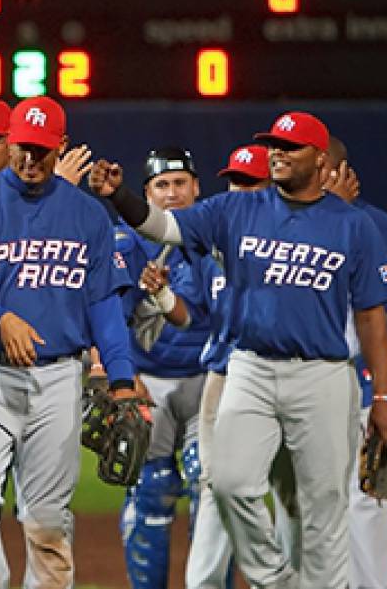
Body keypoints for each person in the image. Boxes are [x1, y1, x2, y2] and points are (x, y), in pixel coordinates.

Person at [90, 111, 387, 587]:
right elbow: (164, 227)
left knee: (323, 505)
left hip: (321, 375)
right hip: (249, 368)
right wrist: (119, 196)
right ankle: (273, 580)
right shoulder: (237, 210)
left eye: (290, 146)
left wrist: (382, 396)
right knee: (230, 482)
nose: (277, 152)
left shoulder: (353, 226)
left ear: (320, 161)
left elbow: (372, 317)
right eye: (274, 144)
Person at [0, 96, 138, 588]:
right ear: (9, 143)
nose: (30, 159)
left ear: (60, 147)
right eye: (22, 147)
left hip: (57, 378)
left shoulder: (88, 216)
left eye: (41, 151)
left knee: (47, 518)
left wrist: (123, 378)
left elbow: (104, 306)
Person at [271, 136, 387, 589]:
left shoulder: (374, 225)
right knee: (292, 496)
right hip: (285, 380)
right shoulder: (274, 218)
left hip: (358, 381)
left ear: (332, 167)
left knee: (366, 493)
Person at [114, 147, 214, 589]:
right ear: (147, 194)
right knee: (150, 491)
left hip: (209, 382)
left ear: (196, 187)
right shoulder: (126, 241)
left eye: (180, 183)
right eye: (161, 185)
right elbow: (108, 312)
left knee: (210, 489)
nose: (172, 193)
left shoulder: (219, 236)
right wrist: (118, 372)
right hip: (148, 382)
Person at [183, 144, 270, 589]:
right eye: (235, 180)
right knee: (215, 485)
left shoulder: (287, 242)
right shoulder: (211, 242)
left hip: (279, 375)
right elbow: (192, 314)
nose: (240, 190)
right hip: (223, 375)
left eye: (251, 182)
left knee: (292, 497)